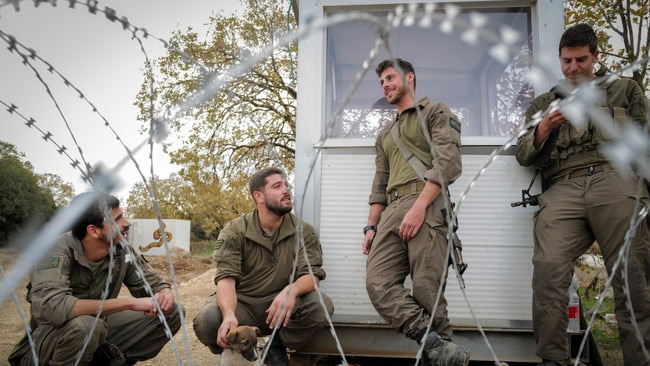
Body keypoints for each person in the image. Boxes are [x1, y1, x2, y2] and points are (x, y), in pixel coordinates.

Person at [515, 23, 650, 366]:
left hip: (615, 180)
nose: (573, 68)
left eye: (580, 60)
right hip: (565, 188)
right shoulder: (544, 102)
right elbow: (523, 154)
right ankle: (553, 360)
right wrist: (545, 126)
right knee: (547, 271)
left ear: (595, 56)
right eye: (566, 61)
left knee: (631, 276)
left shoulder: (625, 90)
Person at [362, 58, 470, 366]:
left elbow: (448, 164)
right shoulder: (385, 134)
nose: (385, 84)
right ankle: (436, 346)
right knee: (377, 283)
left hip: (426, 202)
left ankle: (435, 353)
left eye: (391, 77)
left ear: (410, 78)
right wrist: (371, 226)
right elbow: (380, 183)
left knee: (426, 287)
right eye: (381, 81)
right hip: (391, 210)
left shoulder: (435, 111)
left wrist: (419, 207)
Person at [8, 192, 183, 366]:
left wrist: (165, 295)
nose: (127, 223)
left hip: (97, 330)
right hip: (45, 346)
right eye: (118, 219)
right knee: (87, 325)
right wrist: (130, 303)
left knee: (172, 312)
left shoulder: (121, 251)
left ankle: (110, 361)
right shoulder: (53, 251)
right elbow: (53, 307)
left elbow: (156, 285)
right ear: (93, 230)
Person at [192, 167, 334, 366]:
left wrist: (291, 290)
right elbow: (226, 278)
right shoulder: (234, 230)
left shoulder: (304, 231)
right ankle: (234, 351)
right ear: (258, 196)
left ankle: (275, 345)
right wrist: (229, 315)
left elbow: (312, 275)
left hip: (280, 304)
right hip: (242, 303)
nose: (286, 190)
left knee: (321, 306)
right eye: (277, 186)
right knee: (208, 321)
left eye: (286, 185)